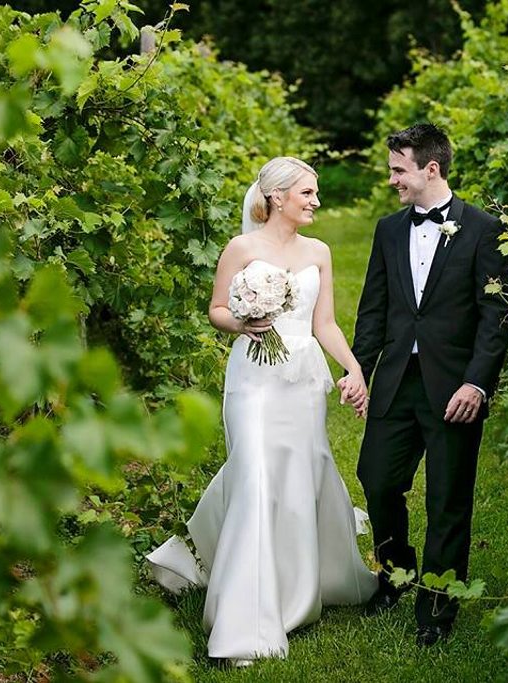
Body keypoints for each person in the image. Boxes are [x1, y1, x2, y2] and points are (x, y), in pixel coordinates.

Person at [146, 156, 377, 665]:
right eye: (308, 194)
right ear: (277, 197)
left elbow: (326, 324)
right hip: (253, 378)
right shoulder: (242, 248)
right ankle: (244, 626)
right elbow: (217, 309)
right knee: (253, 478)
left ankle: (295, 588)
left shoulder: (320, 251)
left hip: (300, 382)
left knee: (296, 476)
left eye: (316, 193)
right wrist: (243, 322)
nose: (317, 202)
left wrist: (354, 370)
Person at [351, 123, 508, 646]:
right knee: (376, 479)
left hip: (455, 389)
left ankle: (438, 606)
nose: (392, 179)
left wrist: (477, 385)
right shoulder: (388, 229)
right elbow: (374, 309)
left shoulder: (485, 230)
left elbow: (497, 317)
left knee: (448, 498)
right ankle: (396, 573)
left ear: (431, 169)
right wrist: (359, 368)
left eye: (399, 169)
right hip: (398, 380)